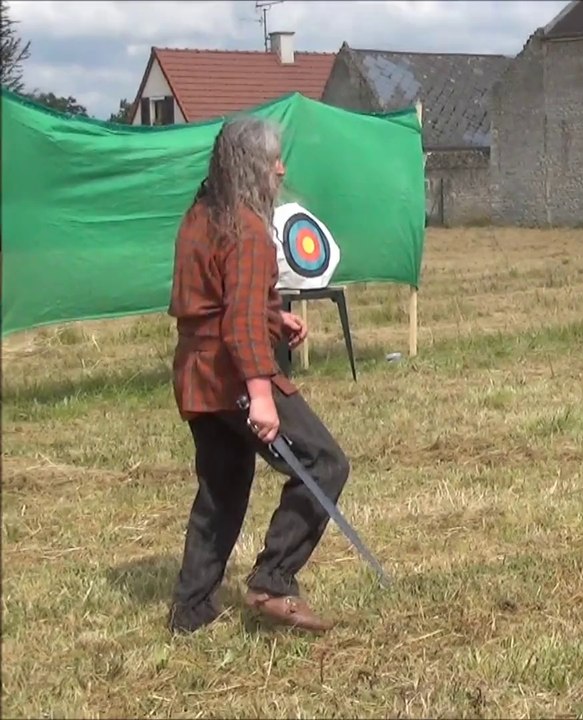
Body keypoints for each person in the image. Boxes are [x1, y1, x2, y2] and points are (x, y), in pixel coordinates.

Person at [166, 116, 351, 635]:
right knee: (324, 462)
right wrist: (261, 395)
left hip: (196, 375)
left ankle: (193, 608)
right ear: (253, 167)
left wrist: (275, 316)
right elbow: (240, 322)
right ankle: (274, 580)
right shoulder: (247, 230)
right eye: (274, 163)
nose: (281, 170)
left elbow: (216, 300)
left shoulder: (201, 215)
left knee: (222, 488)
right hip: (232, 376)